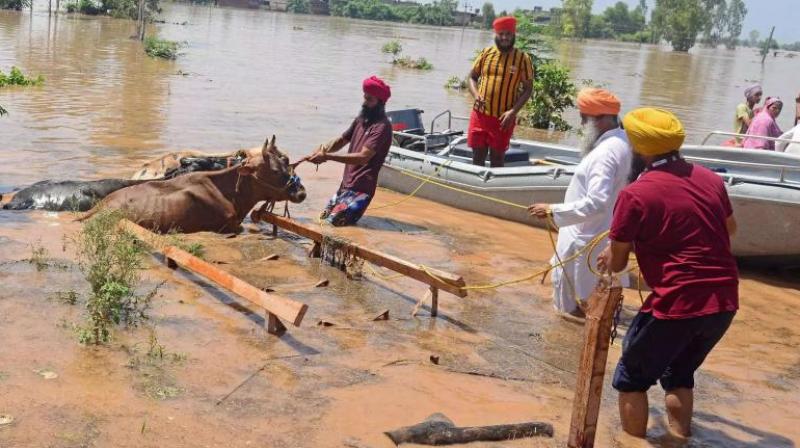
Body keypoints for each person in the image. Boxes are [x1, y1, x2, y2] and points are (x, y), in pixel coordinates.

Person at [597, 108, 739, 440]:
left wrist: (615, 251)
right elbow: (729, 229)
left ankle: (631, 442)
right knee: (679, 374)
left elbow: (616, 264)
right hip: (724, 301)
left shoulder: (634, 194)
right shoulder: (711, 179)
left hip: (678, 303)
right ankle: (678, 440)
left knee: (632, 377)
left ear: (640, 148)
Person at [528, 88, 632, 318]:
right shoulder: (623, 141)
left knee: (575, 311)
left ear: (602, 120)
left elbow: (597, 202)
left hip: (586, 243)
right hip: (601, 237)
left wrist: (553, 210)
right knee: (599, 309)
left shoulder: (605, 153)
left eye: (585, 119)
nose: (583, 125)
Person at [305, 76, 393, 226]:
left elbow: (363, 157)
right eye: (365, 98)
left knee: (333, 225)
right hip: (345, 186)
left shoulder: (382, 127)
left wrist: (327, 157)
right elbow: (342, 140)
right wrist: (321, 149)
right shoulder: (361, 119)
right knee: (322, 221)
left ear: (380, 103)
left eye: (370, 100)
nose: (365, 102)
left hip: (361, 189)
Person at [467, 16, 534, 168]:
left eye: (508, 34)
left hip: (503, 119)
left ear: (513, 36)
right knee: (477, 158)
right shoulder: (485, 53)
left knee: (497, 160)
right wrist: (476, 95)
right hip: (480, 115)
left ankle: (493, 191)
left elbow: (528, 88)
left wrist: (513, 112)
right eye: (501, 34)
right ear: (496, 35)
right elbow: (472, 77)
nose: (504, 37)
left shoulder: (522, 58)